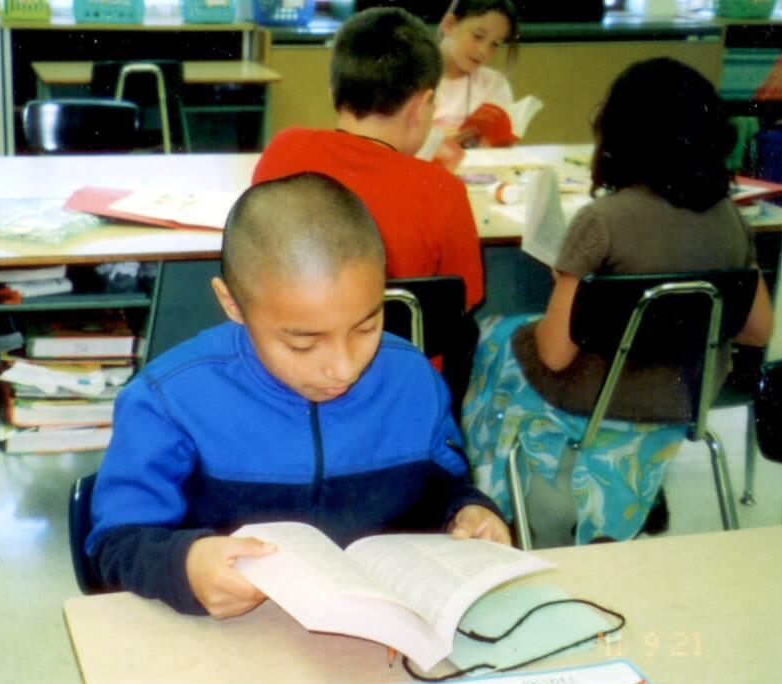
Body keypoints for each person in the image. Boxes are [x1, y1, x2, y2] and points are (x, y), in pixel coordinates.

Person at [86, 173, 510, 618]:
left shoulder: (411, 379)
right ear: (232, 304)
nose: (343, 368)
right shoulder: (168, 400)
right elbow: (115, 543)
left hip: (381, 637)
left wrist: (469, 513)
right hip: (235, 641)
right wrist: (184, 565)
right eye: (304, 344)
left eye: (367, 327)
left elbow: (446, 490)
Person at [461, 58, 773, 545]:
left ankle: (492, 495)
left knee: (498, 332)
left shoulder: (601, 220)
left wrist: (568, 289)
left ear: (620, 132)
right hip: (684, 402)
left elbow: (554, 354)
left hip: (596, 397)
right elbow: (759, 330)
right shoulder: (730, 219)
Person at [251, 8, 484, 311]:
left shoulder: (284, 149)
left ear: (333, 89)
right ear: (421, 105)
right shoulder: (444, 189)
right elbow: (465, 298)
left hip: (289, 354)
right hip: (401, 357)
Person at [434, 0, 520, 141]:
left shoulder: (494, 83)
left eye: (495, 44)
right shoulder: (412, 75)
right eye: (478, 36)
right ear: (449, 25)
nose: (483, 50)